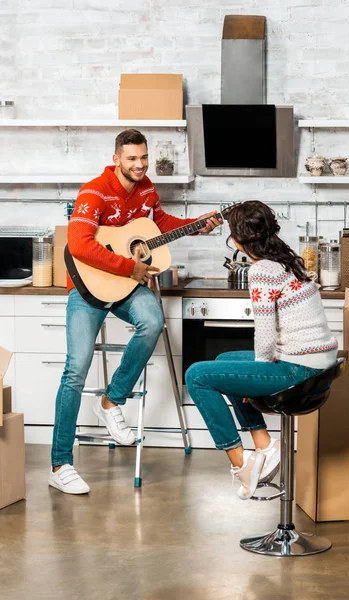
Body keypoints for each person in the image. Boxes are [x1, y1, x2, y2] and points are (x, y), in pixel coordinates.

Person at [49, 128, 221, 495]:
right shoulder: (94, 191)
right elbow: (79, 244)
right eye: (131, 159)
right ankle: (60, 464)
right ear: (116, 159)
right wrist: (131, 268)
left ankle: (112, 399)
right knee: (74, 372)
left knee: (153, 322)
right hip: (87, 287)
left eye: (143, 157)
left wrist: (197, 226)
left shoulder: (146, 190)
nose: (140, 164)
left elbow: (158, 227)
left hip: (125, 287)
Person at [185, 201, 338, 500]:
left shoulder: (262, 270)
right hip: (318, 364)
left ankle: (240, 465)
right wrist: (252, 376)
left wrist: (257, 373)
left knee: (197, 375)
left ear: (238, 240)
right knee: (223, 361)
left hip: (298, 369)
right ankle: (265, 444)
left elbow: (265, 335)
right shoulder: (285, 258)